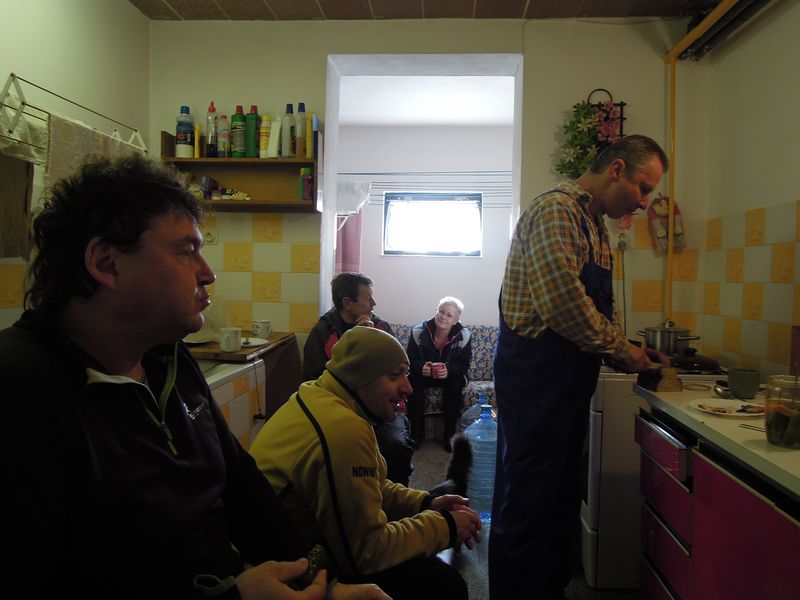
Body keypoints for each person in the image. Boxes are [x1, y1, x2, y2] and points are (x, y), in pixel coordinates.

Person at [1, 154, 389, 600]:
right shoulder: (21, 392)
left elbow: (242, 489)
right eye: (187, 252)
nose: (208, 273)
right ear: (106, 264)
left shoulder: (168, 360)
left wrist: (320, 584)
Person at [488, 135, 672, 600]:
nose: (644, 201)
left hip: (566, 380)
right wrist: (625, 353)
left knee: (559, 500)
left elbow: (600, 311)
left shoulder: (595, 225)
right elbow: (563, 304)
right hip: (535, 379)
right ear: (617, 170)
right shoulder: (557, 210)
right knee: (528, 503)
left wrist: (628, 347)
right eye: (643, 187)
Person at [250, 327, 483, 600]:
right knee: (445, 585)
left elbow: (369, 486)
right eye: (395, 375)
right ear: (360, 376)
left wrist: (425, 504)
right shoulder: (342, 429)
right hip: (286, 572)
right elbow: (365, 553)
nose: (408, 387)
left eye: (406, 374)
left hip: (303, 545)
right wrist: (446, 527)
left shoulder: (321, 396)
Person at [303, 272, 415, 485]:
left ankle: (396, 499)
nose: (374, 303)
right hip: (337, 411)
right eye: (367, 298)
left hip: (380, 408)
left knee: (396, 447)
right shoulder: (322, 332)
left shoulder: (380, 328)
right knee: (336, 453)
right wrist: (353, 340)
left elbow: (398, 370)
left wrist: (371, 339)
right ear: (347, 303)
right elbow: (313, 379)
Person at [405, 296, 472, 452]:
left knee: (455, 383)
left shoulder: (465, 336)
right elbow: (409, 360)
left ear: (456, 320)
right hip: (424, 375)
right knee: (412, 380)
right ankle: (416, 434)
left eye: (449, 315)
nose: (443, 316)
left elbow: (464, 366)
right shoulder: (418, 332)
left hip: (450, 376)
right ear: (436, 312)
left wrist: (449, 369)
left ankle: (449, 435)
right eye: (441, 312)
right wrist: (421, 367)